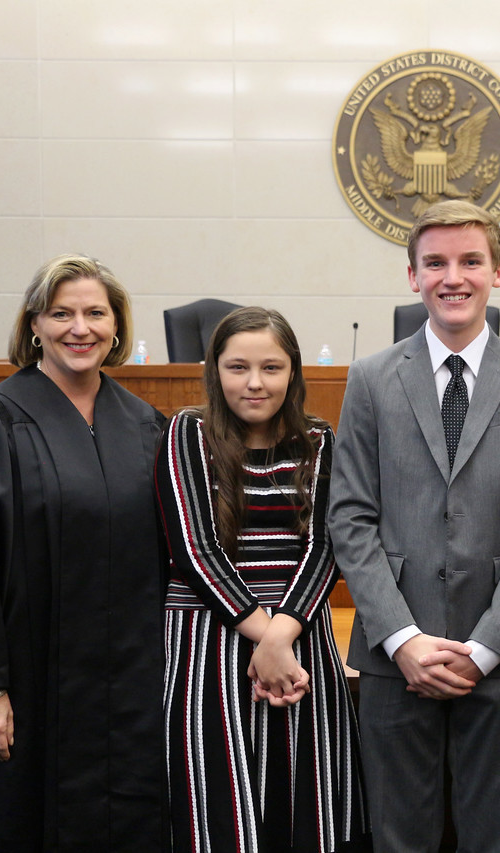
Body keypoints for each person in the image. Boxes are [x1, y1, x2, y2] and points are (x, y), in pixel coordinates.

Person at [0, 254, 168, 850]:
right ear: (34, 325)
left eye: (96, 313)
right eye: (61, 313)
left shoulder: (148, 427)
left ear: (117, 326)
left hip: (132, 692)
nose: (80, 328)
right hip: (27, 687)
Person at [328, 199, 500, 853]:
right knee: (398, 836)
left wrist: (485, 647)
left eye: (470, 261)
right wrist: (402, 638)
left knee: (492, 837)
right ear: (412, 276)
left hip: (499, 658)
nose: (452, 277)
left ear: (498, 271)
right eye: (434, 262)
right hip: (393, 655)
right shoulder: (372, 379)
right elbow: (349, 517)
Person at [155, 306, 369, 852]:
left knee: (305, 802)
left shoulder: (319, 440)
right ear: (214, 371)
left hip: (299, 642)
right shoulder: (187, 432)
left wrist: (280, 637)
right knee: (218, 809)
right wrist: (264, 634)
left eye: (272, 368)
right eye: (237, 367)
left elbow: (327, 546)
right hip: (210, 642)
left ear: (294, 373)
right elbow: (193, 550)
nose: (254, 383)